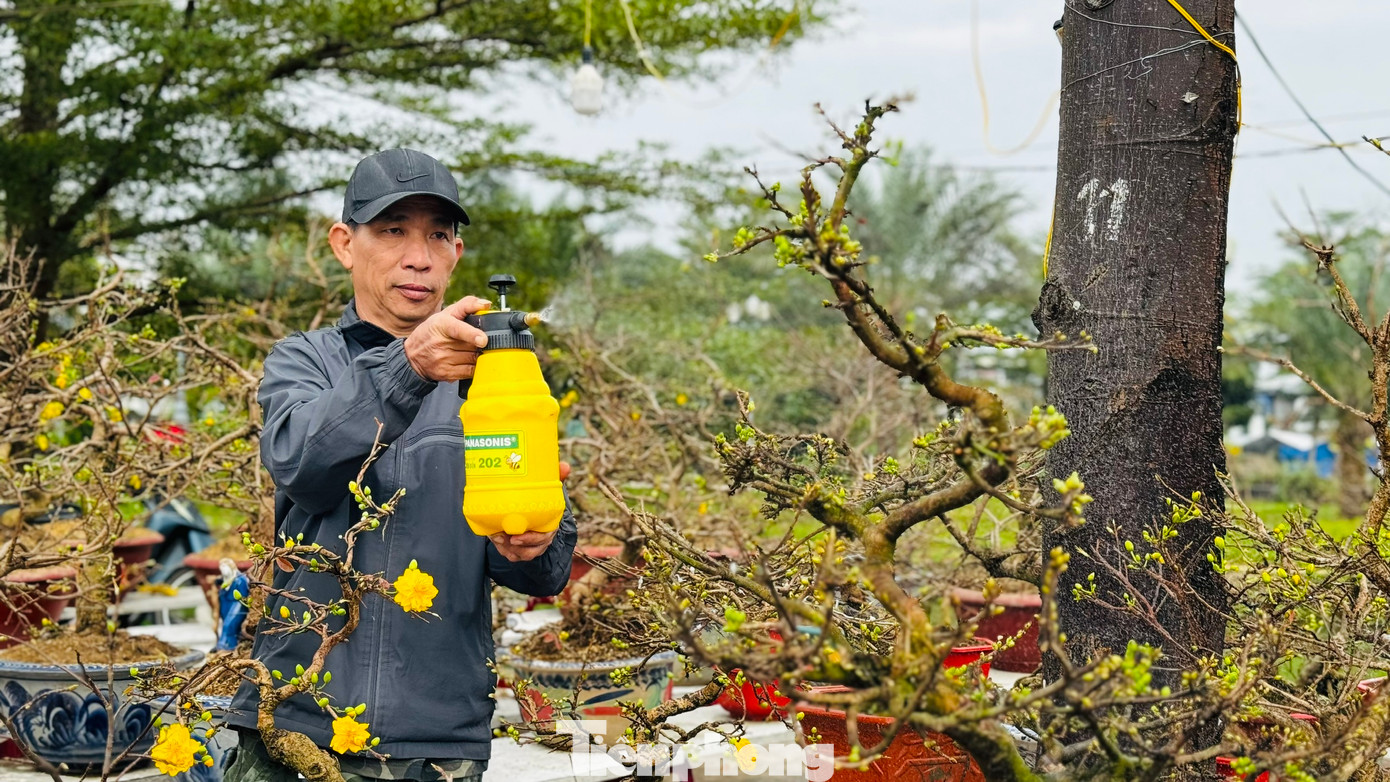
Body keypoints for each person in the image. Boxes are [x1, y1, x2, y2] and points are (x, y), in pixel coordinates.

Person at [224, 148, 577, 782]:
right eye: (393, 231)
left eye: (437, 235)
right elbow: (301, 465)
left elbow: (543, 572)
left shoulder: (496, 384)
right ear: (344, 244)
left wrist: (535, 541)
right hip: (296, 720)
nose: (419, 256)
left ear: (457, 256)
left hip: (436, 736)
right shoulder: (304, 363)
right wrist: (408, 368)